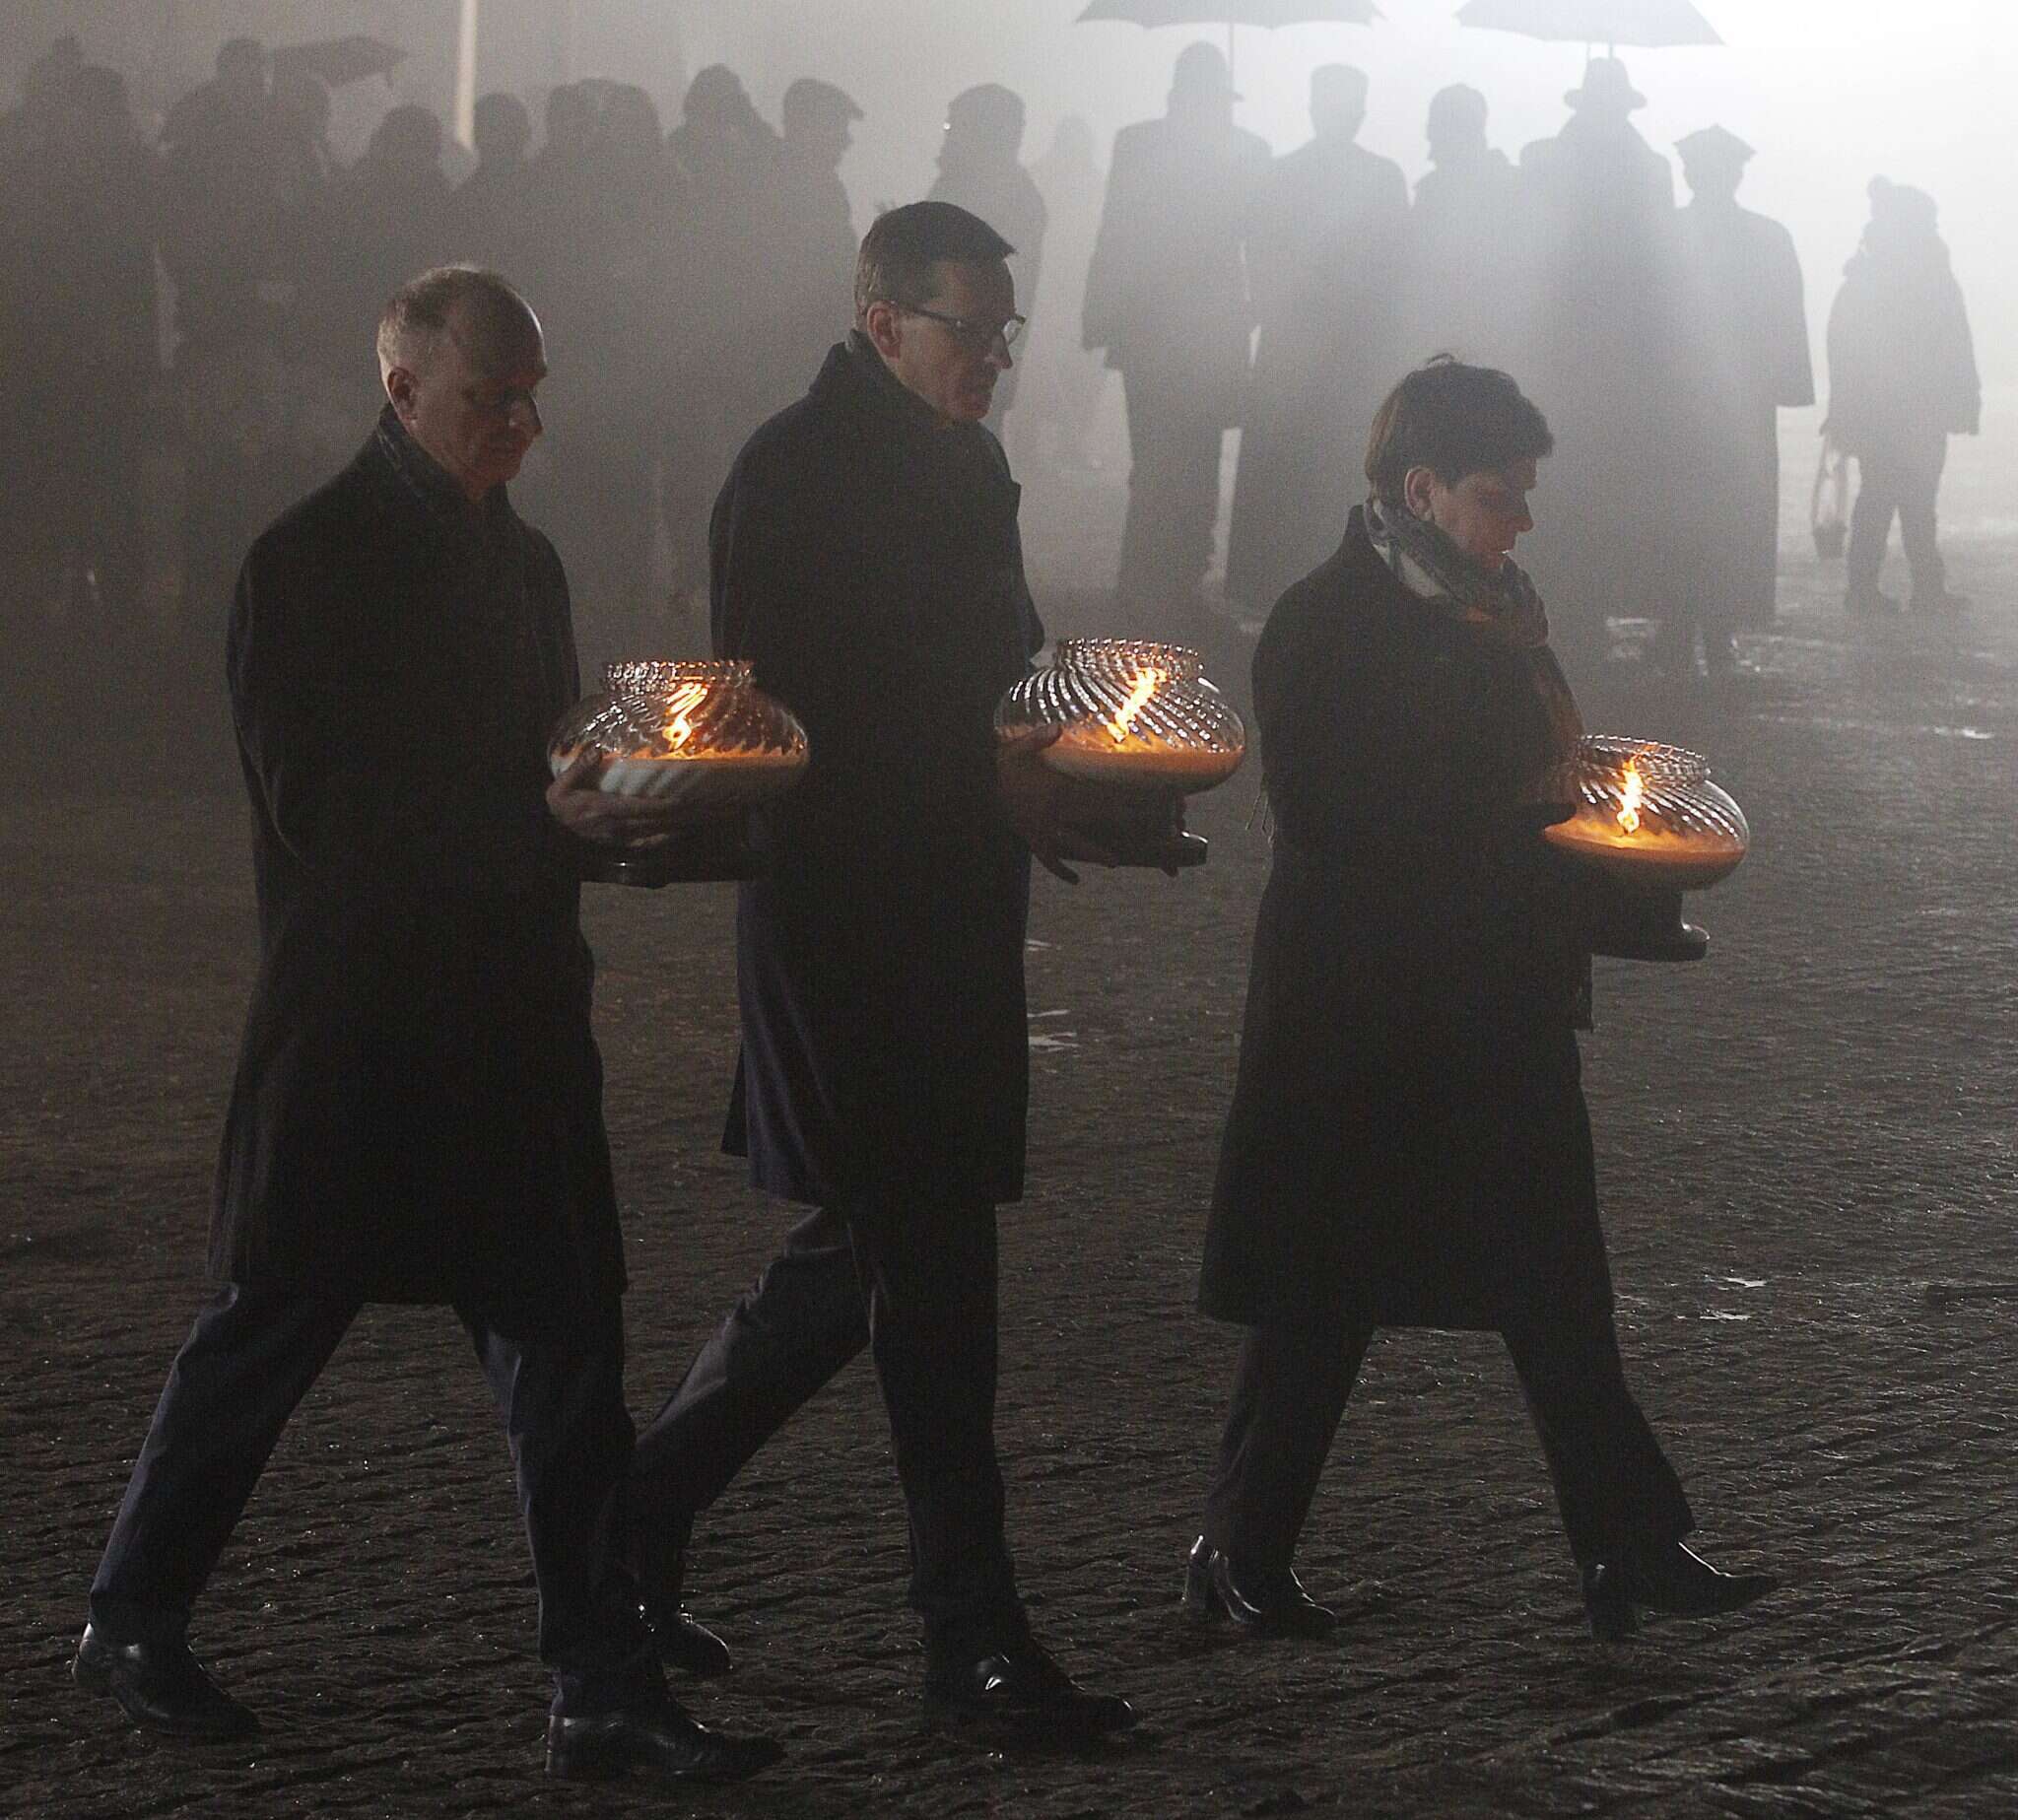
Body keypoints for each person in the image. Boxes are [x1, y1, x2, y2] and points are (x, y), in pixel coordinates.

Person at [72, 266, 778, 1787]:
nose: (522, 423)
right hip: (367, 1027)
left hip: (509, 1018)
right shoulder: (306, 561)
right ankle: (133, 1607)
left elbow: (537, 769)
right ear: (403, 391)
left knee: (566, 1350)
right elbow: (326, 811)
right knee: (270, 1325)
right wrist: (554, 823)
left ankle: (597, 1672)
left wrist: (625, 825)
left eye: (531, 395)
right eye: (490, 398)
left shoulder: (517, 564)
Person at [629, 201, 1134, 1735]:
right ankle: (968, 1635)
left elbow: (1004, 660)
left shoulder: (966, 460)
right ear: (880, 319)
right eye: (963, 330)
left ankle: (626, 1527)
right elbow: (786, 720)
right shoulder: (790, 473)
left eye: (1004, 331)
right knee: (930, 1277)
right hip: (845, 922)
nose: (990, 359)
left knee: (862, 1262)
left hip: (950, 914)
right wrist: (993, 777)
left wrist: (1074, 754)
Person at [1187, 358, 1779, 1646]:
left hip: (1494, 1006)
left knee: (1558, 1283)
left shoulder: (1501, 615)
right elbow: (1329, 815)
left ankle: (1628, 1542)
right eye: (1500, 493)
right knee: (1320, 1298)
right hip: (1359, 1014)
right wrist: (1528, 835)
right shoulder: (1321, 622)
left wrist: (1619, 882)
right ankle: (1238, 1549)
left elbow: (1554, 790)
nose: (1521, 518)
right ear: (1422, 487)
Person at [1084, 41, 1268, 642]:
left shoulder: (1143, 144)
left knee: (1174, 462)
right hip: (1187, 331)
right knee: (1176, 461)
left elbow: (1116, 232)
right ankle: (1159, 582)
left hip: (1165, 332)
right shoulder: (1241, 152)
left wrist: (1102, 315)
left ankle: (1158, 582)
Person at [1517, 56, 1687, 687]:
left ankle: (1568, 613)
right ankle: (1595, 612)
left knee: (1556, 486)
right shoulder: (1649, 171)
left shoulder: (1545, 161)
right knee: (1617, 490)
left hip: (1562, 349)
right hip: (1625, 356)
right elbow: (1661, 267)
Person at [1227, 64, 1407, 617]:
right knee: (1337, 463)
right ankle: (1345, 578)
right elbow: (1396, 264)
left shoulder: (1283, 174)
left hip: (1297, 341)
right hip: (1351, 348)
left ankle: (1264, 580)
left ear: (1313, 108)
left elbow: (1255, 249)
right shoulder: (1381, 178)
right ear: (1358, 112)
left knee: (1281, 463)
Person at [1662, 125, 1813, 671]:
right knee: (1733, 516)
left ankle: (1677, 625)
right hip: (1742, 402)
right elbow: (1785, 325)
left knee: (1680, 515)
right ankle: (1718, 625)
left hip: (1680, 401)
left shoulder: (1666, 235)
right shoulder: (1767, 238)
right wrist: (1786, 386)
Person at [1825, 176, 1980, 617]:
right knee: (1912, 500)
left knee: (1881, 497)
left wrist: (1844, 410)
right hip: (1915, 411)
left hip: (1884, 413)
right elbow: (1955, 344)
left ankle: (1869, 588)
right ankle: (1922, 588)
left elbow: (1842, 352)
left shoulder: (1865, 281)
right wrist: (1964, 400)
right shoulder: (1930, 279)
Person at [927, 84, 1046, 436]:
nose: (947, 138)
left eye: (954, 127)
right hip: (952, 353)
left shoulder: (1006, 198)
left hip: (968, 355)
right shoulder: (967, 185)